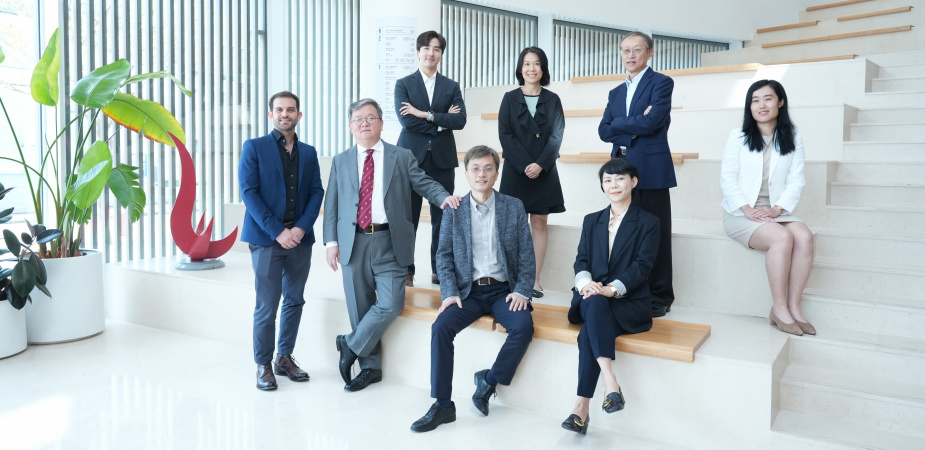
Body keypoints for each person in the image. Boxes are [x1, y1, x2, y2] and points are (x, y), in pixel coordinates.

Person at [324, 98, 462, 392]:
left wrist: (443, 197)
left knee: (391, 303)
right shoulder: (341, 160)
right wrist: (331, 242)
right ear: (350, 126)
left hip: (390, 241)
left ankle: (350, 344)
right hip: (353, 242)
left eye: (370, 118)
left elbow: (424, 182)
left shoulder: (400, 156)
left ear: (381, 123)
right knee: (360, 309)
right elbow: (332, 204)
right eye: (358, 119)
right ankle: (370, 368)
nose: (364, 123)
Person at [411, 145, 536, 432]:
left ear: (496, 172)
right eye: (475, 168)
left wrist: (522, 291)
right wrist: (450, 292)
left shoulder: (513, 206)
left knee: (523, 327)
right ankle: (443, 404)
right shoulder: (453, 209)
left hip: (504, 290)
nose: (482, 174)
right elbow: (443, 255)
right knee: (441, 327)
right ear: (465, 174)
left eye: (488, 168)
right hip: (468, 292)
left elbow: (527, 255)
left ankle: (488, 381)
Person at [562, 158, 659, 434]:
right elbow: (581, 260)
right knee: (593, 301)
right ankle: (610, 382)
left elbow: (643, 265)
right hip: (592, 296)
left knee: (587, 335)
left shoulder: (649, 223)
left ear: (633, 182)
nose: (613, 185)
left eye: (619, 178)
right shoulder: (592, 220)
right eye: (607, 180)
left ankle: (581, 409)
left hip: (627, 302)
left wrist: (611, 289)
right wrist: (586, 285)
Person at [239, 91, 325, 391]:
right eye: (279, 110)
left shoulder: (310, 153)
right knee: (267, 304)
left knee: (295, 300)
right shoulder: (254, 147)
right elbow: (249, 193)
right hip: (267, 240)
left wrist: (301, 228)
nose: (285, 114)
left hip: (300, 240)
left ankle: (284, 357)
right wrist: (278, 232)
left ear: (299, 115)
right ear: (270, 115)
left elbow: (317, 192)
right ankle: (263, 364)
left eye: (291, 110)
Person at [721, 80, 814, 336]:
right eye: (755, 100)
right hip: (740, 213)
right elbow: (727, 178)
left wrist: (777, 209)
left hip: (775, 210)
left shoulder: (793, 137)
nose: (761, 105)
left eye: (768, 98)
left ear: (780, 102)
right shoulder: (737, 136)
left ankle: (794, 307)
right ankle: (779, 308)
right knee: (782, 238)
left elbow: (797, 179)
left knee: (804, 237)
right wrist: (749, 209)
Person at [598, 31, 676, 318]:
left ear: (649, 53)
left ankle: (660, 295)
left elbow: (654, 121)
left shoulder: (661, 83)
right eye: (625, 50)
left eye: (636, 50)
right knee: (625, 233)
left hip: (652, 171)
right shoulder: (615, 92)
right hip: (621, 171)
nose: (629, 55)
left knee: (656, 232)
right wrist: (632, 123)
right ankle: (629, 288)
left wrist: (621, 126)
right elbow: (604, 130)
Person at [395, 30, 467, 287]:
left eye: (436, 49)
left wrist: (423, 114)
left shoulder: (451, 86)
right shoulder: (403, 84)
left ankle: (440, 269)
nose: (431, 53)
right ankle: (406, 270)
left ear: (441, 54)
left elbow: (459, 120)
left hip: (442, 160)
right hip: (410, 160)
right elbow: (406, 121)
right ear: (418, 52)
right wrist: (439, 121)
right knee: (408, 218)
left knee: (443, 218)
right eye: (426, 48)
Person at [498, 46, 566, 299]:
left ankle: (535, 280)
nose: (531, 69)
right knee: (515, 224)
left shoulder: (553, 99)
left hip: (545, 170)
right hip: (516, 170)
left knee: (539, 222)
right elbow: (505, 135)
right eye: (526, 64)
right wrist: (526, 164)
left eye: (536, 64)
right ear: (520, 68)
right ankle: (514, 277)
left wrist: (540, 164)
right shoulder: (509, 98)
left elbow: (557, 135)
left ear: (543, 68)